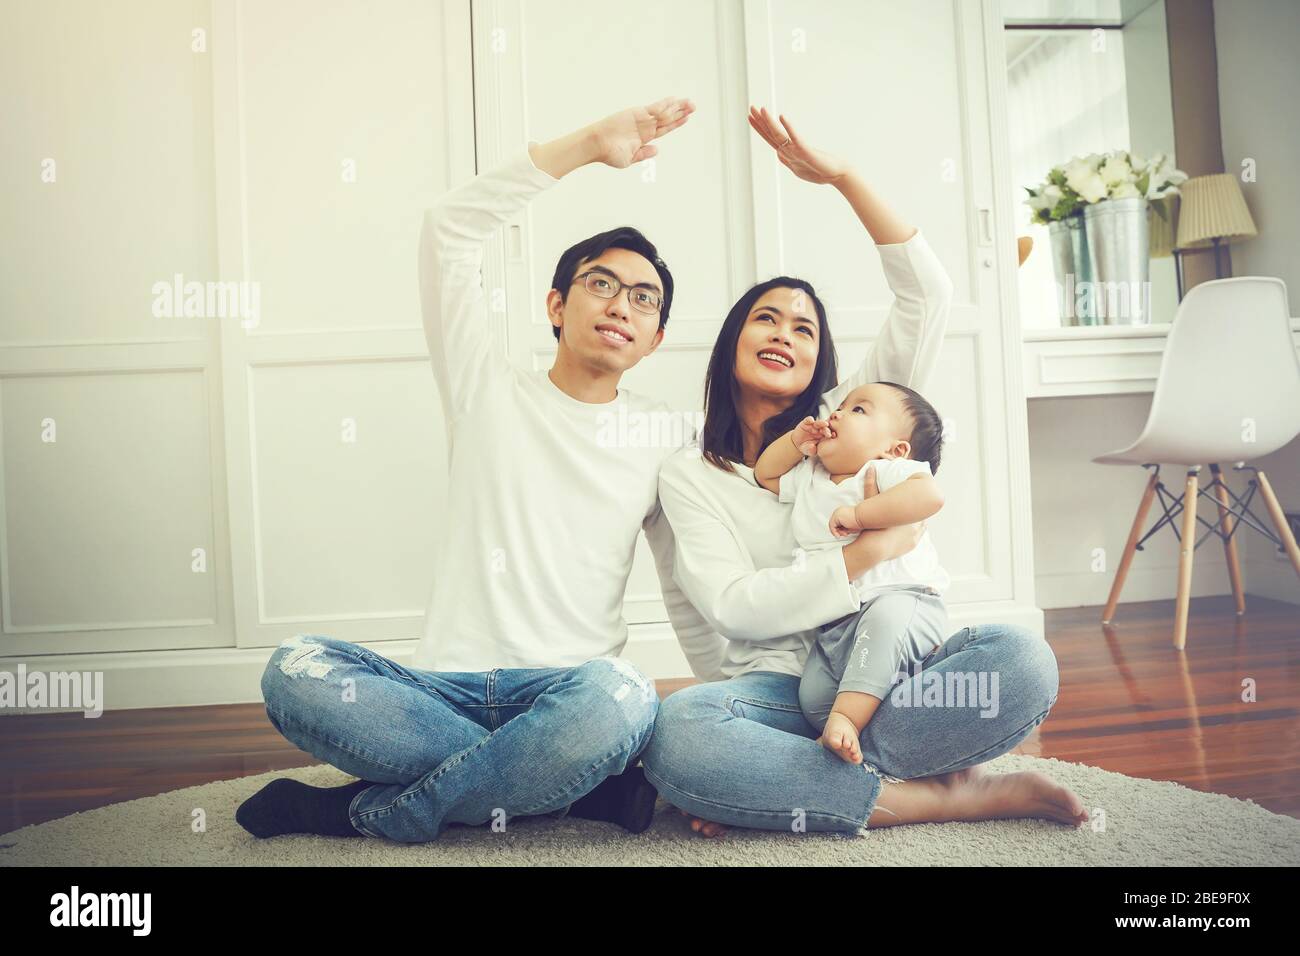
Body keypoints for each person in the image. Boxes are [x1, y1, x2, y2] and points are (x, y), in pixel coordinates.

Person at [237, 97, 728, 843]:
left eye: (643, 298)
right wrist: (591, 145)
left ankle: (359, 812)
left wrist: (726, 717)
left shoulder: (667, 436)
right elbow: (449, 230)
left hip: (572, 694)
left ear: (655, 339)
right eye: (600, 284)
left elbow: (686, 588)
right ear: (556, 304)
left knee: (628, 697)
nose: (620, 304)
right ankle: (560, 793)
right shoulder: (484, 387)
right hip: (439, 690)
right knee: (293, 670)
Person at [642, 107, 1088, 836]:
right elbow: (737, 608)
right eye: (767, 319)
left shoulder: (856, 423)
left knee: (1021, 662)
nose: (785, 332)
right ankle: (949, 796)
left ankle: (778, 790)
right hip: (781, 696)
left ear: (825, 365)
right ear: (731, 341)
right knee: (681, 730)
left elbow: (928, 296)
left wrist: (843, 177)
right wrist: (866, 552)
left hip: (890, 678)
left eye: (805, 327)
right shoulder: (689, 472)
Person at [752, 381, 949, 763]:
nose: (838, 412)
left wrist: (861, 515)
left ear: (895, 449)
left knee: (883, 629)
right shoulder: (810, 474)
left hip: (903, 600)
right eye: (840, 406)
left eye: (858, 410)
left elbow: (930, 497)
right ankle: (875, 732)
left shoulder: (885, 470)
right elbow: (766, 475)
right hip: (839, 619)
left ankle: (848, 720)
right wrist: (795, 443)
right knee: (813, 700)